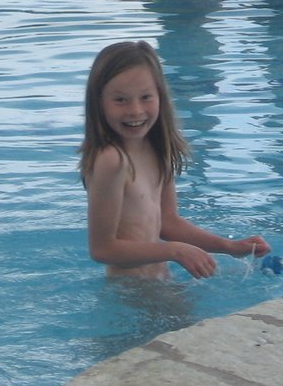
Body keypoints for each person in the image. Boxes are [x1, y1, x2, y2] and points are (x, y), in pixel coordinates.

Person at [79, 40, 270, 279]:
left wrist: (228, 246)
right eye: (121, 100)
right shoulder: (112, 160)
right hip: (129, 292)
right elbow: (102, 250)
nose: (135, 110)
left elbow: (168, 223)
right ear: (98, 103)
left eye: (146, 97)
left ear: (160, 96)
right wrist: (174, 251)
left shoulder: (157, 148)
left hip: (162, 281)